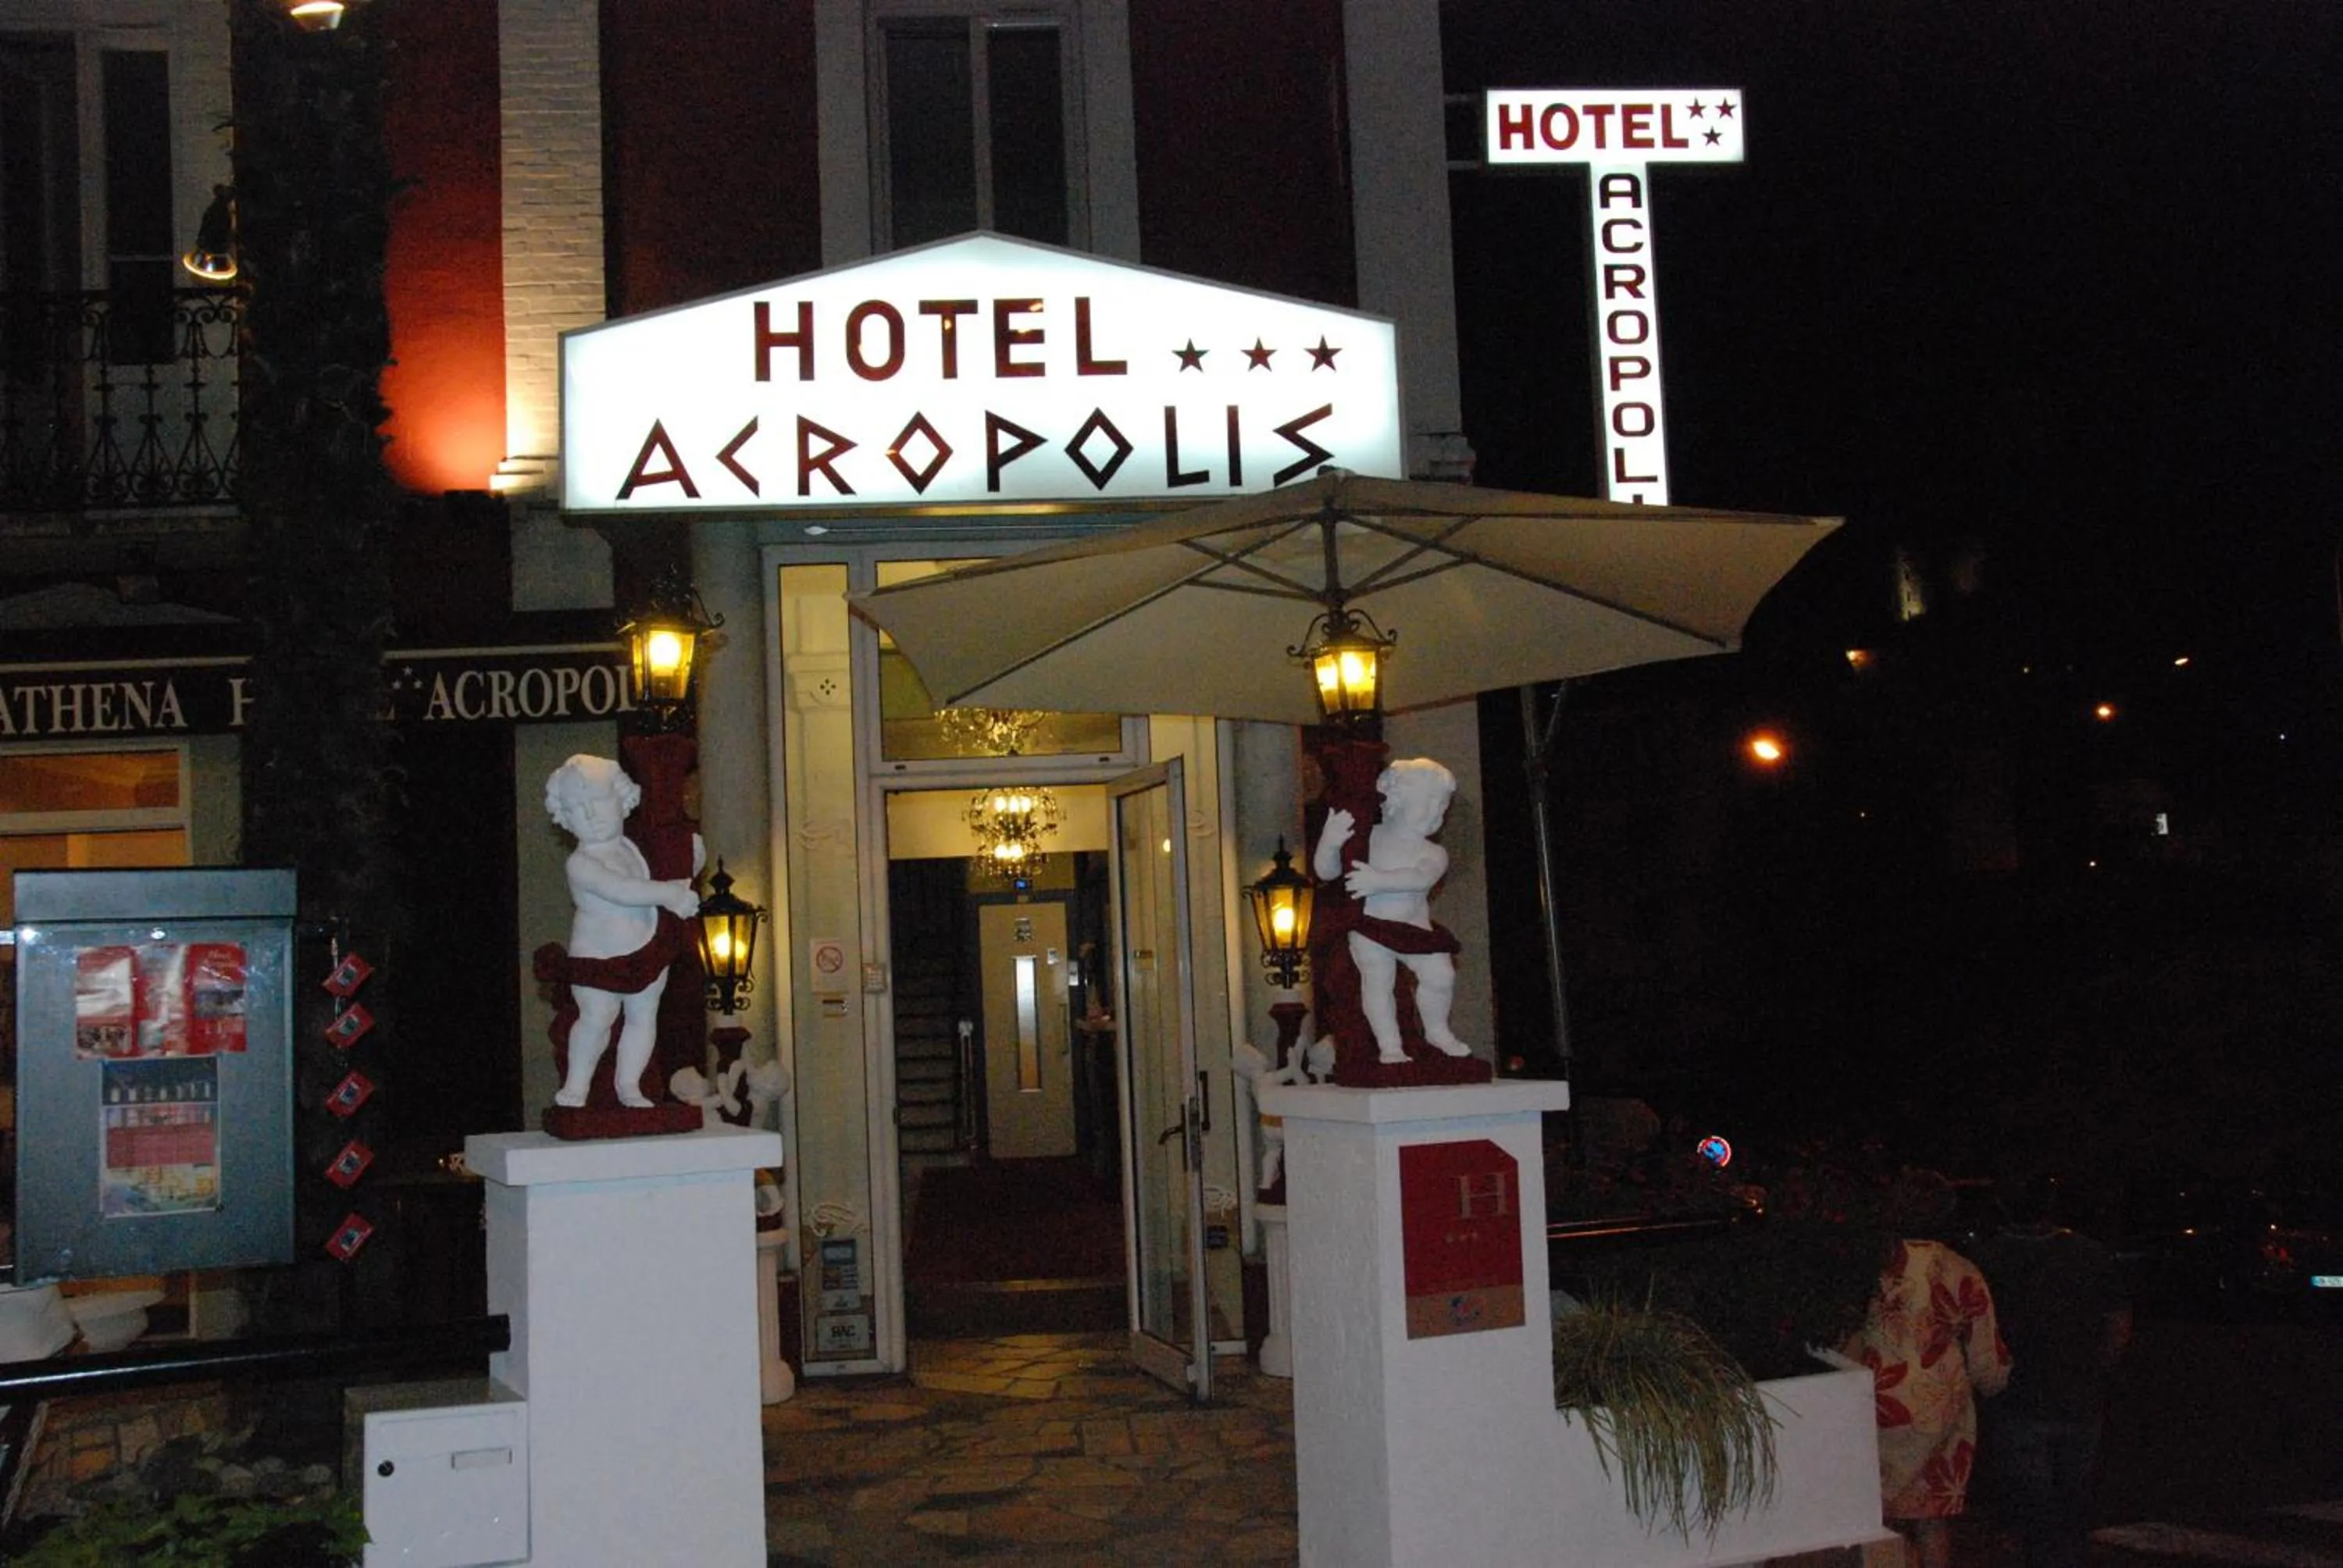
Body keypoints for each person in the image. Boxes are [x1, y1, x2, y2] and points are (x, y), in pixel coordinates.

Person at [1844, 1170, 2013, 1568]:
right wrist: (1993, 1384)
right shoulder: (1961, 1270)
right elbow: (1986, 1356)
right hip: (1940, 1407)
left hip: (1876, 1403)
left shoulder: (1871, 1266)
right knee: (1932, 1520)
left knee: (1880, 1517)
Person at [1971, 1176, 2131, 1568]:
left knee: (2031, 1501)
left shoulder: (1988, 1258)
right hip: (2078, 1392)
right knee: (2072, 1496)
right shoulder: (2089, 1253)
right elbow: (2119, 1320)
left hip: (2017, 1395)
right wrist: (2098, 1366)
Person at [544, 755, 701, 1108]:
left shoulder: (633, 845)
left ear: (622, 799)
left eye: (598, 802)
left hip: (646, 947)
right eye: (576, 809)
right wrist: (670, 893)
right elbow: (622, 890)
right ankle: (577, 1084)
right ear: (565, 819)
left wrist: (690, 860)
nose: (590, 815)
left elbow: (662, 867)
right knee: (597, 1018)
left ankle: (630, 1085)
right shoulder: (582, 863)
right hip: (599, 956)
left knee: (643, 1016)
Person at [1311, 757, 1470, 1064]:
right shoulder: (1367, 838)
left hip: (1414, 929)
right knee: (1377, 983)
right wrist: (1330, 843)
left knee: (1441, 976)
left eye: (1442, 807)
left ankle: (1437, 1030)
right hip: (1371, 926)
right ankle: (1389, 1045)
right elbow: (1328, 872)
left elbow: (1420, 877)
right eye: (1429, 802)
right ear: (1396, 799)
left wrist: (1378, 880)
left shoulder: (1434, 852)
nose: (1437, 812)